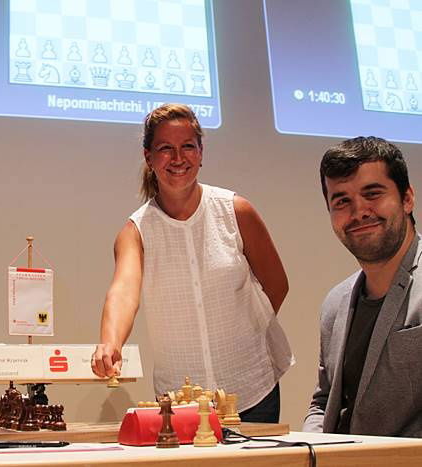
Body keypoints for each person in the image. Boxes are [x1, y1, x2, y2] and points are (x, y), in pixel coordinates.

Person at [91, 103, 293, 422]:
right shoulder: (136, 231)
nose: (178, 158)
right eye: (165, 149)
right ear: (148, 157)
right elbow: (124, 292)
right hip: (179, 402)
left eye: (187, 146)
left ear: (200, 153)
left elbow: (276, 285)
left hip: (253, 390)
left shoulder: (236, 211)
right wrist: (110, 342)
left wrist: (243, 337)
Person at [303, 136, 422, 437]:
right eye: (342, 201)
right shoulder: (335, 303)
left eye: (373, 194)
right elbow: (323, 403)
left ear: (407, 198)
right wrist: (309, 449)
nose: (359, 212)